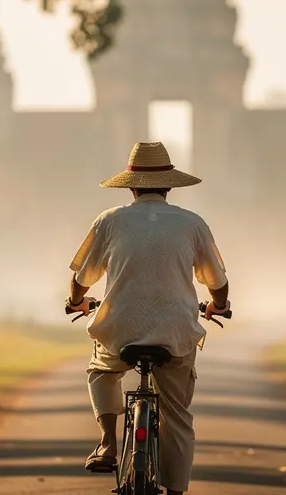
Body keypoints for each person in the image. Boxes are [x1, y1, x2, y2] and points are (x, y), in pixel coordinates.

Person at [65, 141, 230, 495]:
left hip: (119, 331)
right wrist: (219, 304)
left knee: (102, 370)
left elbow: (82, 277)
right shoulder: (192, 223)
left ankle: (108, 441)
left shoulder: (110, 220)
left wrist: (76, 300)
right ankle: (175, 491)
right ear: (170, 185)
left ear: (131, 184)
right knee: (177, 418)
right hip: (176, 333)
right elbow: (218, 281)